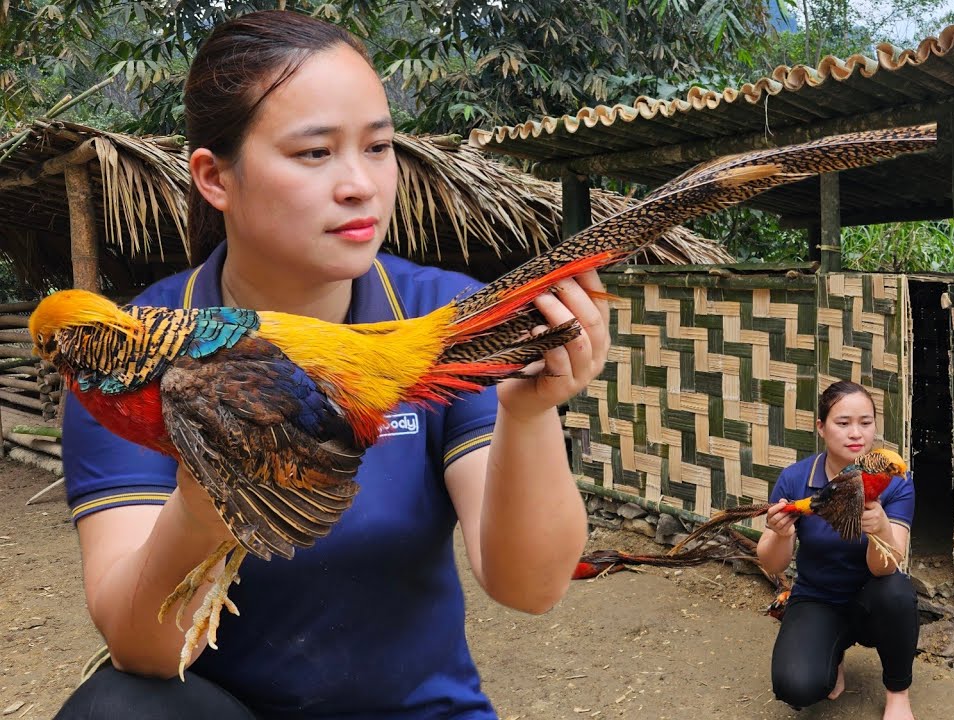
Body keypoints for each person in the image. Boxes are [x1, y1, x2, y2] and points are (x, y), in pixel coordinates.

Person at [54, 10, 605, 720]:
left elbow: (530, 588)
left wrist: (527, 414)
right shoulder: (124, 359)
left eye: (378, 147)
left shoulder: (437, 316)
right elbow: (143, 652)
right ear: (215, 178)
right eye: (315, 153)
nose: (360, 185)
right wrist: (204, 495)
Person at [757, 380, 918, 720]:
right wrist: (781, 535)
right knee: (795, 686)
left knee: (897, 592)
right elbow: (771, 564)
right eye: (843, 423)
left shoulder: (895, 481)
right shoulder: (795, 478)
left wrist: (880, 528)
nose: (856, 433)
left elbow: (886, 567)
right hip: (817, 598)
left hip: (872, 599)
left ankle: (898, 694)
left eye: (865, 422)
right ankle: (832, 656)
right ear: (821, 427)